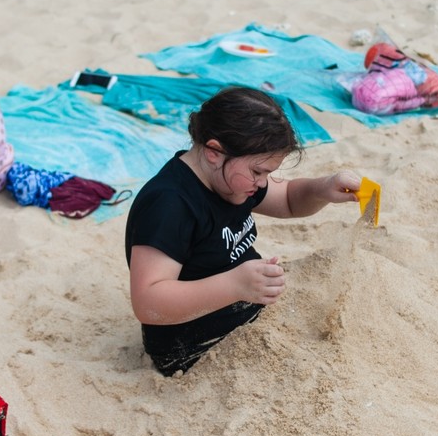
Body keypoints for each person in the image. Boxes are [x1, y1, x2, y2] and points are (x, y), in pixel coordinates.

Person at [124, 87, 361, 376]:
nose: (262, 184)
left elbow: (287, 200)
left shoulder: (231, 180)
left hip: (244, 308)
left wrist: (324, 188)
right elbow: (148, 302)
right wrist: (235, 285)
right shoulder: (170, 204)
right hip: (190, 346)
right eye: (258, 172)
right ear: (214, 152)